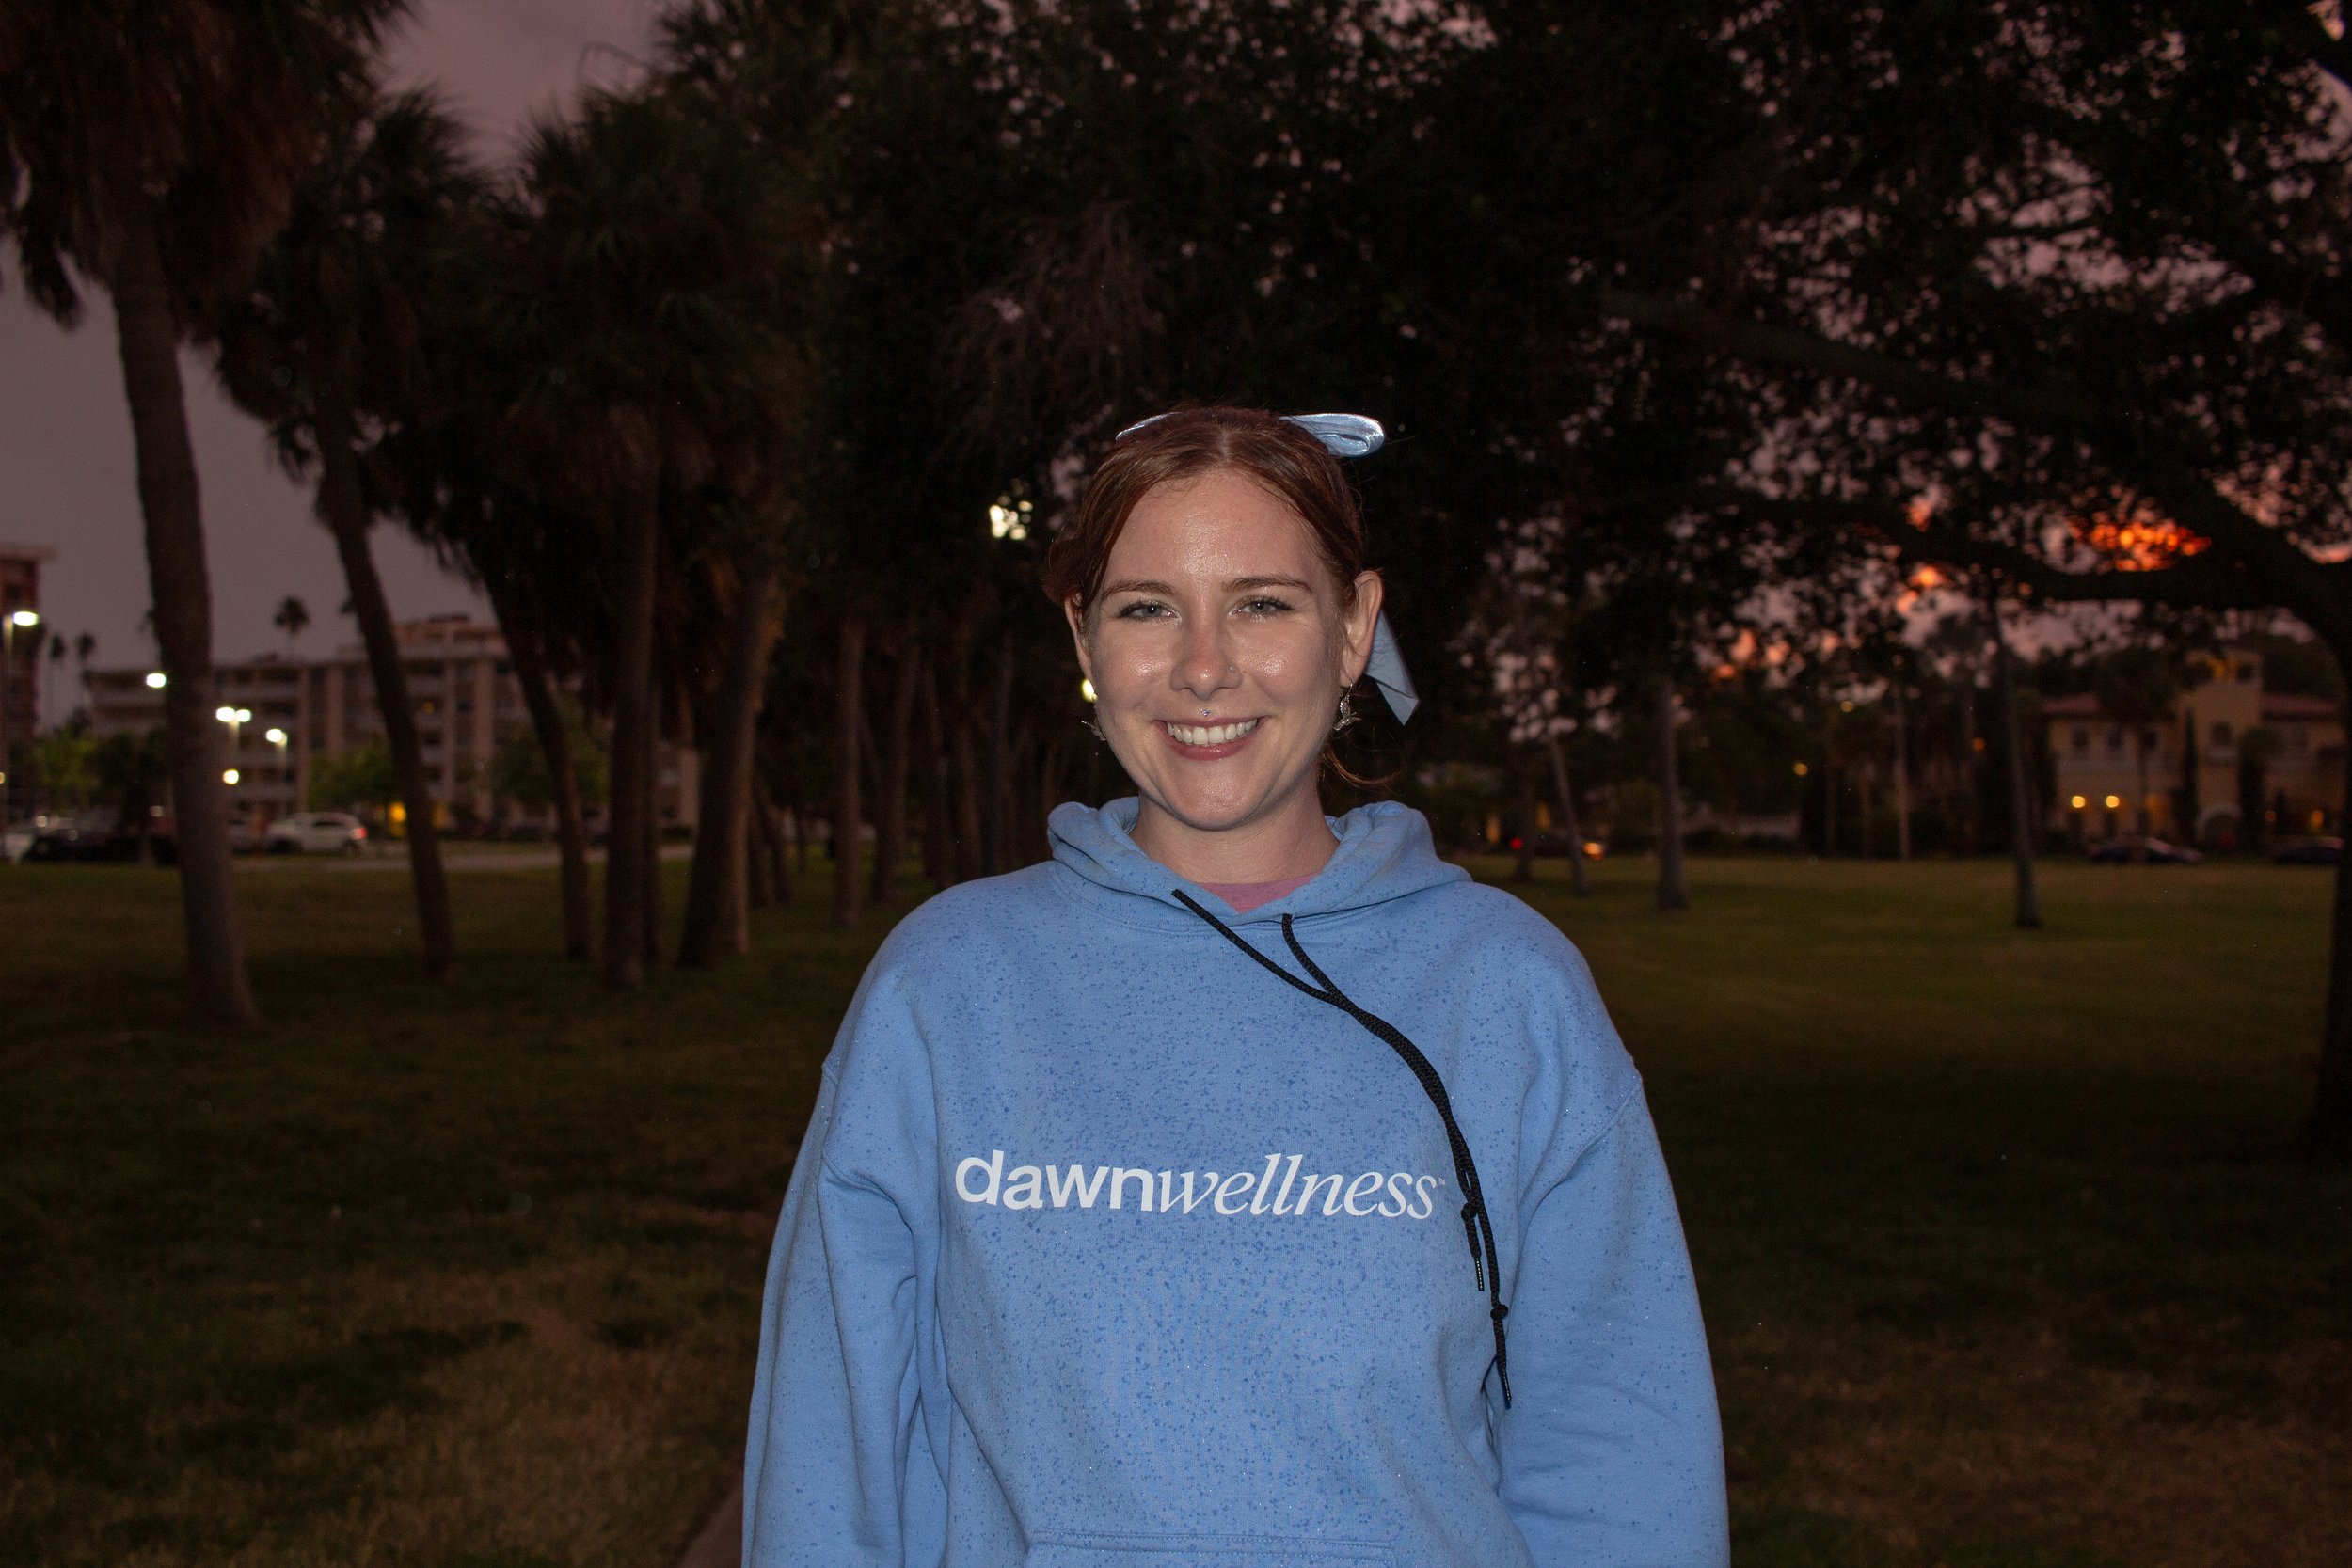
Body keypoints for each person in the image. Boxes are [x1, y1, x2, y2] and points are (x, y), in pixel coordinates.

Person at [743, 405, 1728, 1567]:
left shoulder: (1509, 991)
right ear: (1082, 635)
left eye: (1262, 603)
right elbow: (832, 1455)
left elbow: (1620, 1461)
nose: (1203, 667)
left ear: (1353, 627)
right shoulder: (945, 987)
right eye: (1146, 607)